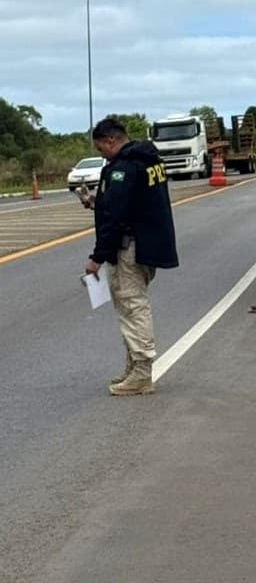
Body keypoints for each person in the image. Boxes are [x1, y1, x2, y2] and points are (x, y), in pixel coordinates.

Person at [83, 117, 178, 396]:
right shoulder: (150, 160)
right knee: (131, 305)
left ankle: (141, 372)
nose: (103, 154)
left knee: (132, 306)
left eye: (102, 148)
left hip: (131, 248)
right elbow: (131, 202)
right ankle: (133, 366)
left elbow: (115, 215)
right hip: (149, 245)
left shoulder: (123, 167)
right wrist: (97, 202)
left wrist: (97, 257)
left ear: (111, 141)